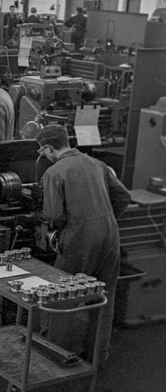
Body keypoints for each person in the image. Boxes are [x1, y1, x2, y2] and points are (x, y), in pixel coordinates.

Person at [36, 124, 131, 362]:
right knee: (103, 296)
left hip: (80, 238)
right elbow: (123, 196)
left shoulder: (55, 172)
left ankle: (53, 356)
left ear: (48, 148)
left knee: (62, 296)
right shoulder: (97, 163)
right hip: (111, 233)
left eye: (42, 152)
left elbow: (54, 215)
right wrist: (103, 219)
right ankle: (97, 356)